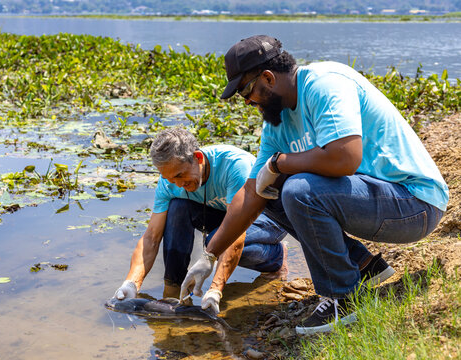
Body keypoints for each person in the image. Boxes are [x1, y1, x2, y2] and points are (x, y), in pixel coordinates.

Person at [179, 35, 448, 334]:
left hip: (414, 204)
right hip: (374, 201)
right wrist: (209, 254)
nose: (246, 102)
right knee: (273, 190)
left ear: (267, 78)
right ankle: (362, 266)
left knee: (297, 189)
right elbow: (253, 192)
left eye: (245, 91)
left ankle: (342, 298)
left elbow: (344, 158)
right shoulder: (276, 123)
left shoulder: (324, 84)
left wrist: (281, 164)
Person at [113, 127, 288, 314]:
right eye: (170, 179)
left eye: (180, 175)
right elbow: (151, 238)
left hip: (268, 216)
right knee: (177, 208)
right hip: (226, 214)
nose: (178, 184)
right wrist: (132, 283)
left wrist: (215, 289)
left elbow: (236, 235)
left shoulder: (234, 166)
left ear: (197, 158)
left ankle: (275, 257)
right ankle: (174, 285)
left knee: (215, 242)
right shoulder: (169, 182)